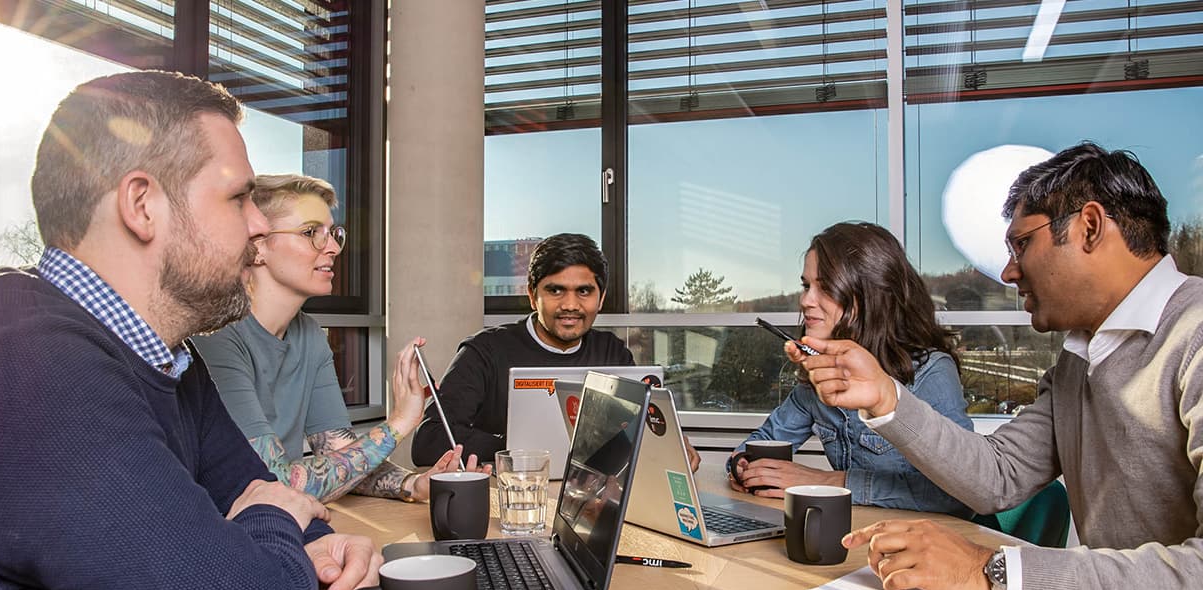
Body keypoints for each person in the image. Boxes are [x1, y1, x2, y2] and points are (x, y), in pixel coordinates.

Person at [0, 71, 384, 590]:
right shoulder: (24, 364)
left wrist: (307, 547)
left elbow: (254, 501)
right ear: (143, 205)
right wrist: (277, 522)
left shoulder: (163, 354)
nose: (259, 226)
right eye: (238, 199)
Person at [800, 142, 1203, 590]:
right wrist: (887, 397)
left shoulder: (1194, 335)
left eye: (1021, 244)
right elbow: (999, 475)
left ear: (1089, 227)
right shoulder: (1081, 359)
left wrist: (989, 571)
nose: (1009, 271)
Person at [195, 174, 474, 504]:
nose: (333, 248)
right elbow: (271, 483)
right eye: (311, 233)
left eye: (333, 234)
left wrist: (413, 485)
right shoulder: (215, 337)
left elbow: (341, 456)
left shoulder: (309, 335)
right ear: (257, 245)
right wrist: (399, 422)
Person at [728, 222, 974, 516]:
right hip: (858, 535)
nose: (805, 300)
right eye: (806, 286)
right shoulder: (819, 375)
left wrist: (829, 482)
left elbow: (957, 494)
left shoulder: (931, 373)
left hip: (929, 544)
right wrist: (742, 463)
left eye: (826, 287)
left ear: (870, 296)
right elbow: (765, 441)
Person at [412, 233, 701, 470]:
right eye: (556, 291)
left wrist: (669, 449)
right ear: (531, 295)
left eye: (584, 292)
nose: (570, 305)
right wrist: (519, 451)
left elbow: (635, 438)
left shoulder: (612, 354)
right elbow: (429, 440)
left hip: (591, 504)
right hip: (510, 502)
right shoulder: (484, 351)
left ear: (600, 299)